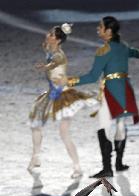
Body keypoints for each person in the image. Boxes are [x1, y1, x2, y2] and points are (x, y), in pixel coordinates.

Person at [68, 16, 139, 178]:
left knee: (104, 126)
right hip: (125, 90)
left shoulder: (104, 51)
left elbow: (93, 76)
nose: (98, 29)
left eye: (100, 27)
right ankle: (119, 164)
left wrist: (70, 81)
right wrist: (137, 53)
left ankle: (107, 168)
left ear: (108, 31)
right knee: (121, 125)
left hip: (111, 91)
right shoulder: (123, 46)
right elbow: (135, 53)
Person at [28, 23, 98, 178]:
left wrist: (44, 67)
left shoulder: (59, 55)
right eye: (49, 33)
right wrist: (62, 29)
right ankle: (36, 156)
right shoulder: (49, 49)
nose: (48, 35)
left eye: (52, 35)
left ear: (58, 40)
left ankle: (77, 167)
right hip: (51, 94)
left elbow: (53, 64)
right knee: (36, 124)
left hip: (63, 96)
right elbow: (46, 46)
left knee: (64, 133)